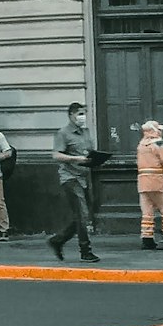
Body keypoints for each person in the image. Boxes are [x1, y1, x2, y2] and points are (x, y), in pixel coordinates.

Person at [48, 102, 100, 262]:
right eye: (79, 114)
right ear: (71, 115)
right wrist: (76, 158)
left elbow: (89, 152)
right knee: (82, 214)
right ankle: (85, 251)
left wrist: (95, 158)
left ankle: (57, 240)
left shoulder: (85, 132)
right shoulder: (63, 133)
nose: (82, 117)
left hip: (84, 177)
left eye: (84, 113)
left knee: (81, 215)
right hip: (70, 177)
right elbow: (56, 155)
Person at [136, 120, 163, 249]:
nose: (161, 131)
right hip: (158, 181)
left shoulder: (141, 145)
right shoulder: (159, 144)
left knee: (147, 212)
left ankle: (147, 238)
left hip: (143, 182)